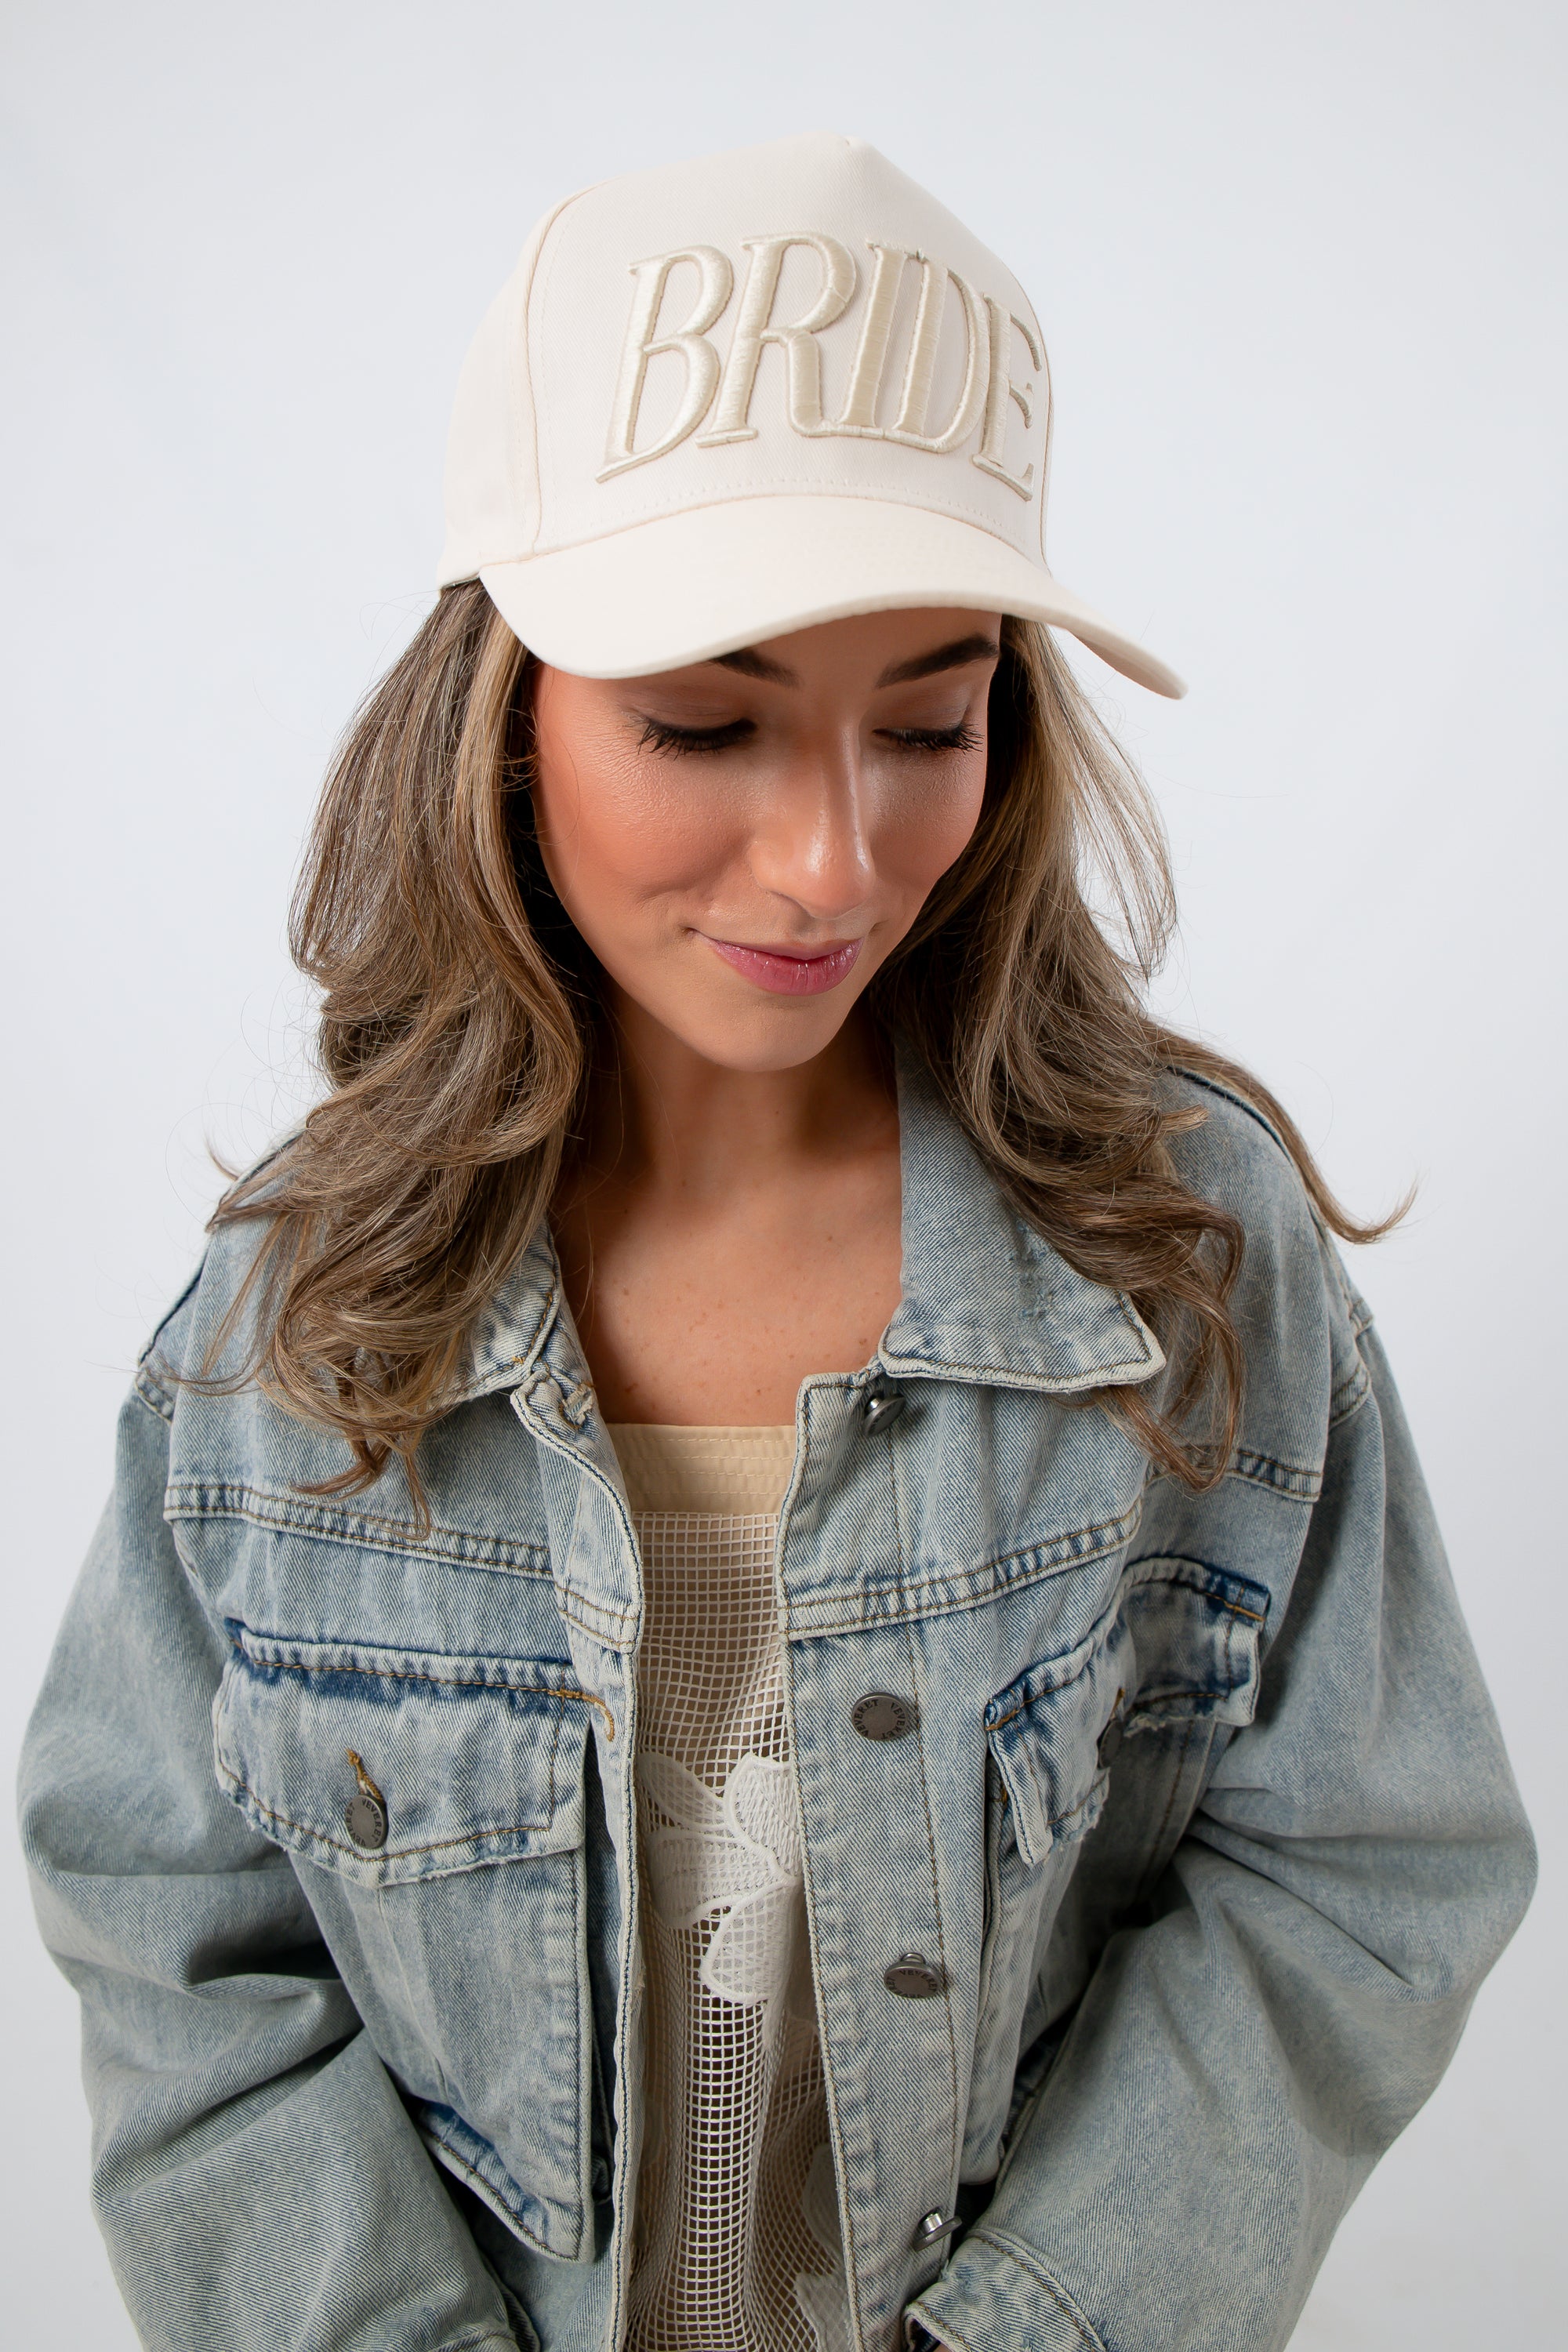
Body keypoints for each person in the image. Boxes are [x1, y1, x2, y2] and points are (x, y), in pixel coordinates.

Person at [20, 132, 1533, 2352]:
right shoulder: (288, 1338)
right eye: (705, 724)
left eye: (928, 718)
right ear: (503, 719)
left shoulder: (1186, 1270)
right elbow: (177, 1932)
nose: (832, 858)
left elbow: (1371, 1867)